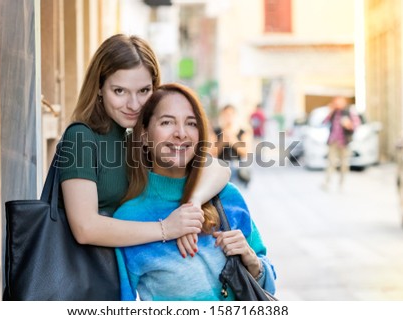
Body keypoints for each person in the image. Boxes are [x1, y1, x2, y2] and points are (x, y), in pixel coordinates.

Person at [58, 34, 230, 297]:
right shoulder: (82, 137)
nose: (134, 104)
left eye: (143, 91)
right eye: (119, 91)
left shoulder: (138, 138)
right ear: (99, 88)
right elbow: (85, 228)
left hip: (121, 278)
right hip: (83, 275)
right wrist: (168, 228)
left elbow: (217, 168)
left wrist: (191, 207)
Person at [115, 83, 276, 300]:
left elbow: (268, 284)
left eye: (191, 123)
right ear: (144, 135)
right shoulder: (128, 219)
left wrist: (252, 260)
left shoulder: (227, 197)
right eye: (167, 122)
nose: (181, 133)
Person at [321, 96, 360, 190]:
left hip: (344, 142)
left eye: (339, 102)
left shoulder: (349, 112)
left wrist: (349, 125)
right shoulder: (333, 112)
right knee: (331, 162)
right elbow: (324, 122)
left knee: (344, 164)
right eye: (336, 102)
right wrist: (330, 111)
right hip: (333, 141)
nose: (337, 104)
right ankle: (327, 183)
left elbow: (356, 124)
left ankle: (341, 184)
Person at [214, 104, 253, 188]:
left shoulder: (243, 132)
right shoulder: (216, 132)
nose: (228, 117)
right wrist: (222, 141)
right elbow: (212, 153)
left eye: (231, 114)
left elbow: (246, 152)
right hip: (221, 169)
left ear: (235, 116)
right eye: (226, 114)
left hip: (237, 169)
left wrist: (233, 140)